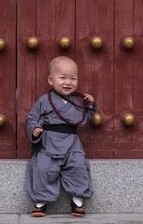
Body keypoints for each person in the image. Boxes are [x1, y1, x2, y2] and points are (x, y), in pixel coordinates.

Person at [25, 56, 97, 217]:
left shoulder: (76, 102)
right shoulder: (44, 101)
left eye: (73, 78)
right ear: (51, 80)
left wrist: (90, 105)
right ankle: (40, 203)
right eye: (63, 78)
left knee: (78, 167)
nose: (68, 82)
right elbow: (31, 117)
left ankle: (77, 202)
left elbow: (83, 118)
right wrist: (35, 128)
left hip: (72, 144)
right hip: (48, 143)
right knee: (43, 169)